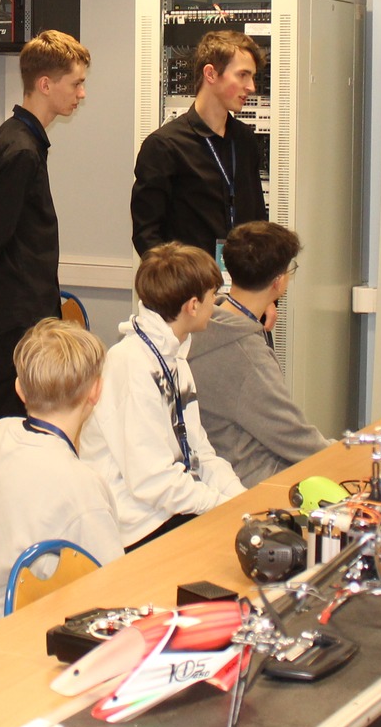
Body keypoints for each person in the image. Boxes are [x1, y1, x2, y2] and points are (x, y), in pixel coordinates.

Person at [0, 29, 89, 602]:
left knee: (14, 437)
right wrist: (14, 314)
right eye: (75, 84)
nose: (81, 94)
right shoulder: (19, 150)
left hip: (19, 313)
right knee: (8, 439)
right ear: (45, 83)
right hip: (13, 319)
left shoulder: (24, 141)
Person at [80, 245, 245, 549]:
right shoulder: (130, 364)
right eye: (213, 296)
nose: (217, 303)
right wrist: (220, 506)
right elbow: (151, 481)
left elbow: (200, 452)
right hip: (134, 525)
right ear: (192, 306)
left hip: (167, 505)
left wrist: (241, 501)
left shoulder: (174, 356)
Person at [0, 319, 123, 619]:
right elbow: (112, 582)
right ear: (96, 391)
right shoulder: (85, 485)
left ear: (19, 388)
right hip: (59, 628)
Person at [186, 222, 330, 484]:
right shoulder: (247, 357)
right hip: (251, 477)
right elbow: (292, 436)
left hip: (215, 468)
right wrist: (348, 453)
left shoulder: (204, 325)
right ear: (278, 282)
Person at [130, 29, 268, 259]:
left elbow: (258, 220)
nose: (251, 87)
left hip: (241, 278)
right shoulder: (165, 146)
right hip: (189, 279)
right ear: (210, 74)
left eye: (252, 77)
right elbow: (147, 234)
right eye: (243, 75)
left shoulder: (244, 140)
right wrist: (178, 277)